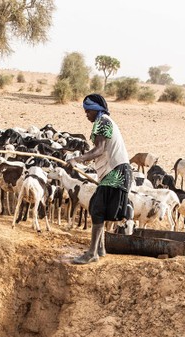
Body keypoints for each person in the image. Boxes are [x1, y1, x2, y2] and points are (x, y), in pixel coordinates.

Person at [67, 94, 132, 265]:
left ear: (96, 110)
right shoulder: (104, 121)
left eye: (88, 110)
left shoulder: (103, 122)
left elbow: (99, 149)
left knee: (97, 208)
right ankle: (100, 249)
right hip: (117, 171)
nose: (86, 114)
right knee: (99, 207)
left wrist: (77, 159)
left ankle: (92, 253)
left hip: (116, 172)